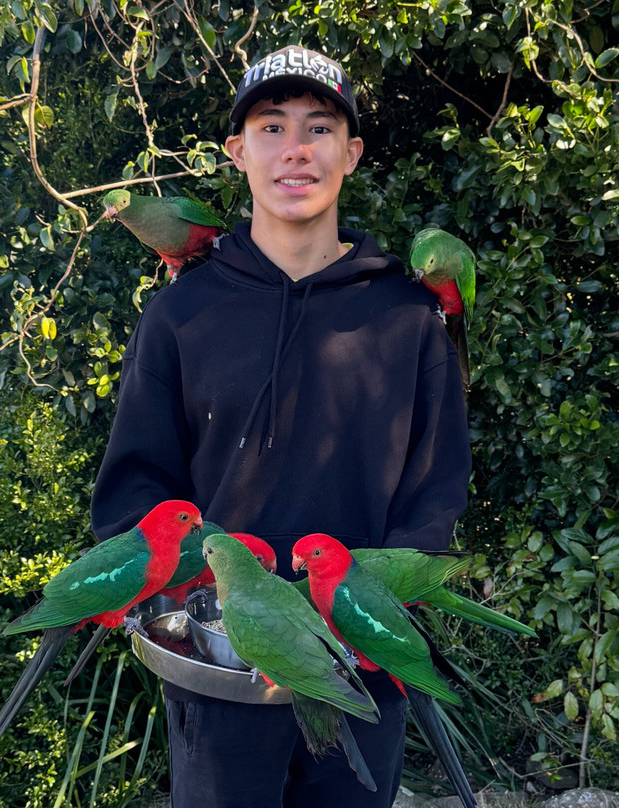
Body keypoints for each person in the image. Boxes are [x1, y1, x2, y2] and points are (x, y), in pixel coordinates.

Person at [90, 44, 471, 808]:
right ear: (238, 151)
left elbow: (435, 489)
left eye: (318, 127)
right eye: (271, 127)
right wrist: (172, 610)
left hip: (357, 673)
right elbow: (138, 485)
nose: (295, 149)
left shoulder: (407, 317)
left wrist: (378, 621)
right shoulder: (181, 314)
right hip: (220, 674)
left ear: (351, 153)